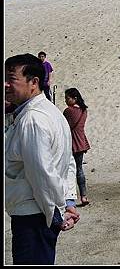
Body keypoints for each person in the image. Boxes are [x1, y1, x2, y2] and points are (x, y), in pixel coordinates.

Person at [5, 54, 80, 264]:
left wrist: (54, 213)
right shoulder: (51, 112)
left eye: (12, 79)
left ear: (34, 82)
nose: (5, 84)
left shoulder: (32, 119)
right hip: (39, 213)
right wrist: (68, 201)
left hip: (34, 216)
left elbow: (42, 173)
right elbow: (67, 163)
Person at [63, 88, 91, 207]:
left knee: (67, 171)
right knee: (79, 170)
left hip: (71, 142)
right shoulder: (84, 111)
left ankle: (69, 198)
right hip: (81, 141)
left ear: (74, 98)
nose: (66, 100)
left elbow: (63, 127)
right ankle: (83, 196)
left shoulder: (68, 111)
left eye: (67, 98)